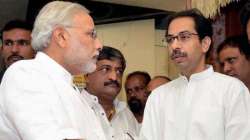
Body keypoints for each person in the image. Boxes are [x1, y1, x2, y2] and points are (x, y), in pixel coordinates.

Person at [0, 1, 107, 140]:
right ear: (61, 37)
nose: (99, 45)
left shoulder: (76, 92)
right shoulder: (25, 75)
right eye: (91, 34)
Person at [140, 9, 250, 140]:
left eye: (184, 37)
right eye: (170, 39)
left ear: (205, 43)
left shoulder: (232, 90)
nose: (174, 45)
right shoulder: (158, 97)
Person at [84, 46, 140, 140]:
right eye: (105, 69)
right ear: (86, 76)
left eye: (119, 71)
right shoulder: (74, 107)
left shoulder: (126, 113)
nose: (114, 77)